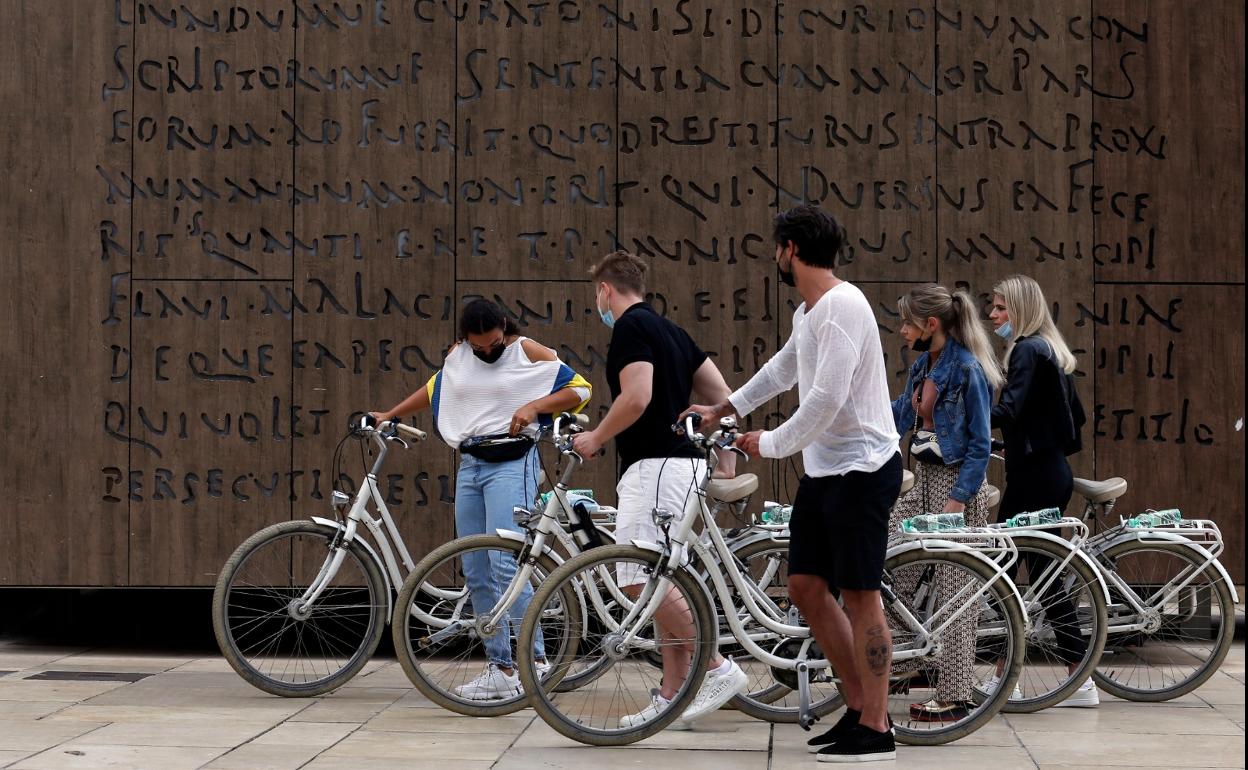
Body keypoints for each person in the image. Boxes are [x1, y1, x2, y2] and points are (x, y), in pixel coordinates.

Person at [686, 205, 902, 763]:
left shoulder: (843, 306)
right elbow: (785, 369)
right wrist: (724, 408)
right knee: (806, 588)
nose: (774, 256)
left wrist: (772, 442)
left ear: (792, 249)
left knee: (860, 595)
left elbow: (826, 399)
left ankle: (877, 728)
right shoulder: (810, 313)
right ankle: (856, 708)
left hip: (864, 469)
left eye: (776, 247)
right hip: (827, 470)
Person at [371, 299, 591, 700]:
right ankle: (501, 666)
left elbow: (580, 388)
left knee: (507, 562)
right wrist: (391, 413)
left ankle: (534, 663)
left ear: (504, 327)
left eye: (493, 344)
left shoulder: (526, 350)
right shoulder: (459, 355)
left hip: (514, 460)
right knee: (475, 568)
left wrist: (534, 405)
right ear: (464, 339)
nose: (487, 352)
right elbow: (437, 387)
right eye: (479, 347)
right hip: (471, 461)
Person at [570, 250, 748, 730]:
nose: (598, 303)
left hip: (653, 466)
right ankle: (671, 694)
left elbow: (638, 396)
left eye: (596, 294)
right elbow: (722, 393)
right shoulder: (673, 332)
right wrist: (725, 449)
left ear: (606, 289)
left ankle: (714, 665)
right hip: (683, 467)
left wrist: (596, 437)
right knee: (661, 584)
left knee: (633, 576)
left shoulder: (630, 329)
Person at [887, 284, 1002, 722]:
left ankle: (955, 694)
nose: (902, 330)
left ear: (930, 325)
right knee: (888, 564)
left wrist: (958, 501)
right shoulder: (924, 365)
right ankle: (914, 656)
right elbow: (899, 415)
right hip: (920, 479)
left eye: (908, 323)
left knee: (958, 592)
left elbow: (980, 444)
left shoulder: (967, 369)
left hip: (956, 486)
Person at [988, 275, 1096, 707]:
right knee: (1033, 578)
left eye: (1000, 308)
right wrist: (1011, 442)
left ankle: (1021, 678)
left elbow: (1009, 408)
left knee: (1001, 573)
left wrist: (962, 411)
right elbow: (1065, 418)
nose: (993, 316)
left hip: (1035, 479)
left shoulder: (1029, 349)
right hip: (1045, 471)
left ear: (1021, 310)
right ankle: (1074, 680)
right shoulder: (1048, 349)